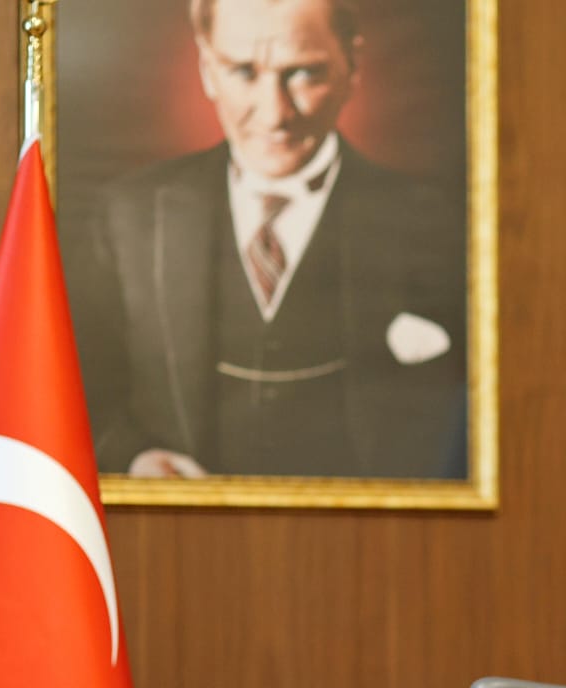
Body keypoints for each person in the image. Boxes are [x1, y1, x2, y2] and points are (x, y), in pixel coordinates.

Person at [71, 0, 467, 480]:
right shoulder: (128, 216)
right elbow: (79, 391)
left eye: (304, 73)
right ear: (207, 71)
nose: (275, 113)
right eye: (243, 72)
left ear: (352, 68)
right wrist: (134, 459)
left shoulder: (437, 224)